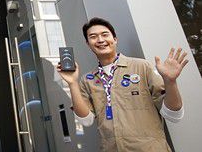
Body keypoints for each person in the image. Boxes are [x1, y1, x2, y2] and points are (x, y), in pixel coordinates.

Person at [57, 17, 188, 151]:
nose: (100, 40)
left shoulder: (142, 67)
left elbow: (173, 114)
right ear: (88, 44)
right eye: (93, 37)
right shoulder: (88, 80)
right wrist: (72, 83)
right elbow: (86, 120)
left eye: (105, 34)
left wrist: (170, 82)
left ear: (115, 39)